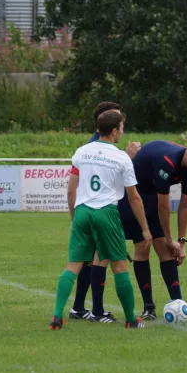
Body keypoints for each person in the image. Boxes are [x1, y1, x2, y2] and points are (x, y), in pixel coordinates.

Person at [50, 109, 151, 330]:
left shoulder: (82, 152)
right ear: (114, 131)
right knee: (119, 266)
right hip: (106, 212)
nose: (122, 132)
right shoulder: (121, 157)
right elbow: (133, 197)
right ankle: (132, 320)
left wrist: (74, 218)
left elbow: (71, 190)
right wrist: (145, 228)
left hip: (83, 211)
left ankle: (57, 315)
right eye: (122, 128)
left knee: (73, 266)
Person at [117, 139, 187, 320]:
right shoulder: (167, 162)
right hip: (133, 197)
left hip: (151, 195)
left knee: (166, 251)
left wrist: (182, 242)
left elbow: (185, 206)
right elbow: (163, 207)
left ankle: (178, 303)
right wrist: (170, 239)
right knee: (143, 248)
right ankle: (149, 308)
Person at [68, 102, 141, 323]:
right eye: (119, 121)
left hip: (87, 211)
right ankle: (97, 311)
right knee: (100, 259)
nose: (122, 127)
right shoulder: (97, 147)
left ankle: (80, 308)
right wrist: (127, 157)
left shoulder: (91, 146)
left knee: (89, 260)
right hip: (99, 211)